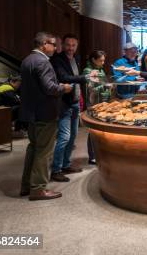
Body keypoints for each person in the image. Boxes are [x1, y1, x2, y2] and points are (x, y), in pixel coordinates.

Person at [20, 32, 72, 200]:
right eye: (53, 44)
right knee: (44, 152)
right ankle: (38, 189)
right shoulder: (42, 62)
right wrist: (63, 88)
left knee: (33, 148)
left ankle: (27, 185)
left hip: (31, 113)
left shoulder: (27, 60)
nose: (56, 48)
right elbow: (50, 88)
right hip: (45, 114)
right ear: (43, 44)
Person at [50, 34, 98, 182]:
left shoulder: (76, 58)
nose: (71, 48)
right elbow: (63, 77)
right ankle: (56, 169)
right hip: (64, 103)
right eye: (68, 45)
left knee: (72, 136)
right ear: (63, 45)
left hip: (76, 102)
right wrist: (86, 78)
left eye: (73, 45)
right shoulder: (57, 60)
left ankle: (66, 164)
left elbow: (76, 79)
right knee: (64, 137)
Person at [83, 50, 108, 165]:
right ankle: (92, 156)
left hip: (102, 102)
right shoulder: (88, 71)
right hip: (93, 103)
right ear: (93, 60)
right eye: (100, 60)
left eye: (104, 60)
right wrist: (104, 86)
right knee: (93, 130)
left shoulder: (100, 70)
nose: (103, 63)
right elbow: (90, 90)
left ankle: (99, 153)